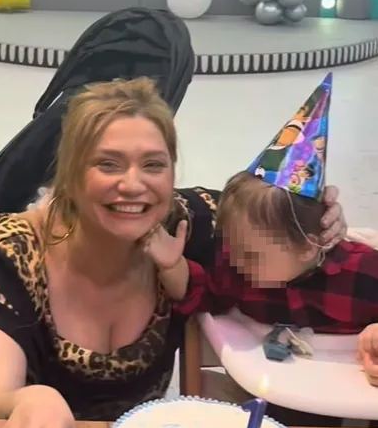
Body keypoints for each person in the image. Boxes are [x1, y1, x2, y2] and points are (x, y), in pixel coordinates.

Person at [0, 76, 346, 428]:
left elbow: (283, 227)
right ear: (70, 175)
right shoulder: (14, 253)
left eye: (154, 165)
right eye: (108, 164)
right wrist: (32, 400)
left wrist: (322, 226)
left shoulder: (187, 224)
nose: (134, 185)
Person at [144, 73, 378, 385]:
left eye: (251, 255)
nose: (235, 261)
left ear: (308, 246)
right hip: (273, 393)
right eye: (231, 248)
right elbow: (199, 293)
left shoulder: (364, 273)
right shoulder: (237, 273)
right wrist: (172, 265)